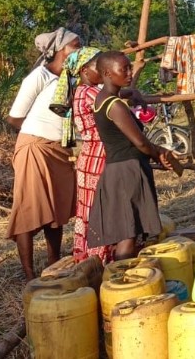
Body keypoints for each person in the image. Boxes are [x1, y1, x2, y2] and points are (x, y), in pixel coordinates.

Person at [87, 51, 180, 260]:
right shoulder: (115, 106)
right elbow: (140, 142)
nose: (130, 72)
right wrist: (159, 154)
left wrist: (132, 92)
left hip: (117, 169)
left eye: (130, 67)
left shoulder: (103, 99)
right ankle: (121, 278)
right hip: (128, 171)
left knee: (127, 230)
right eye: (124, 69)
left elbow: (122, 94)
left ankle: (120, 277)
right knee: (128, 235)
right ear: (107, 73)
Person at [6, 28, 82, 280]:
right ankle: (29, 274)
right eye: (75, 45)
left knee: (57, 210)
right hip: (35, 148)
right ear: (61, 50)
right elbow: (15, 117)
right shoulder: (39, 76)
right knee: (29, 209)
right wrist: (38, 131)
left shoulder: (72, 78)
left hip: (59, 150)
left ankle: (53, 262)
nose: (79, 50)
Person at [68, 46, 116, 263]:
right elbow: (114, 105)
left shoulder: (80, 92)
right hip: (100, 155)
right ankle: (100, 257)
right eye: (99, 67)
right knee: (102, 207)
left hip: (89, 155)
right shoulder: (91, 93)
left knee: (89, 207)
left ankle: (89, 255)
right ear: (85, 70)